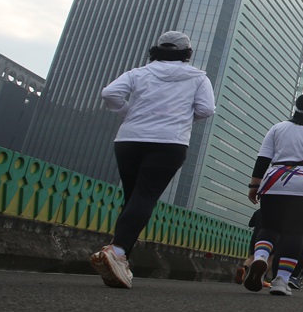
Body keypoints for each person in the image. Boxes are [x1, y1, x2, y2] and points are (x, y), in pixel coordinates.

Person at [90, 30, 216, 289]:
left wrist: (128, 113)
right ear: (187, 53)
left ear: (157, 50)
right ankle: (118, 251)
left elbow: (109, 94)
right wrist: (180, 120)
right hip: (169, 142)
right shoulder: (197, 78)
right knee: (144, 197)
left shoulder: (139, 73)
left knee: (133, 197)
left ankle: (121, 258)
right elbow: (206, 109)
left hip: (130, 140)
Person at [243, 93, 303, 297]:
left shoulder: (278, 128)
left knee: (269, 227)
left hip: (274, 181)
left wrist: (254, 185)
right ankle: (281, 280)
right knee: (295, 233)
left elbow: (263, 159)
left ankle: (260, 258)